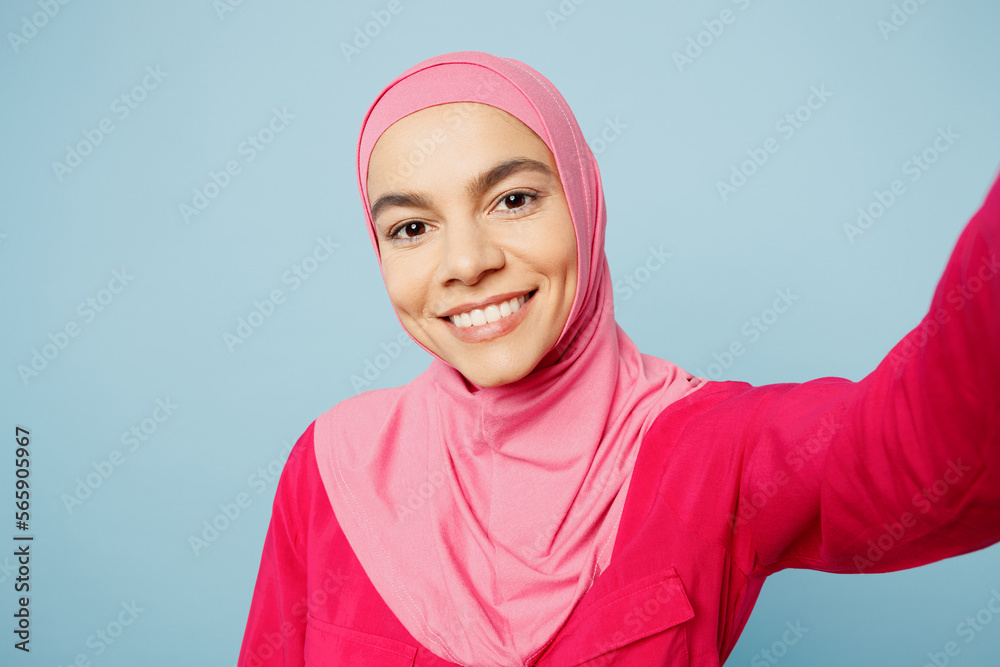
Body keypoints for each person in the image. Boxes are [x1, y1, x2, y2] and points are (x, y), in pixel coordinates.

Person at [238, 50, 1000, 666]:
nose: (465, 262)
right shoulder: (332, 466)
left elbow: (933, 449)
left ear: (582, 198)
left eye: (513, 200)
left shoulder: (711, 449)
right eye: (412, 228)